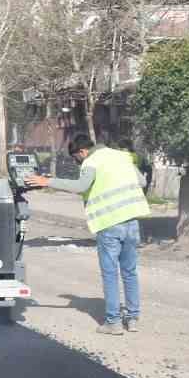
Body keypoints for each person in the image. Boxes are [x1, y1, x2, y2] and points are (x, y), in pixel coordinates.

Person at [26, 133, 151, 335]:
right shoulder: (121, 156)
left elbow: (80, 186)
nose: (77, 163)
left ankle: (113, 322)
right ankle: (133, 318)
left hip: (109, 223)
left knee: (110, 274)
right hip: (132, 221)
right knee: (129, 272)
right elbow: (142, 182)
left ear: (82, 152)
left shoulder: (91, 161)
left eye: (76, 158)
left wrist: (46, 181)